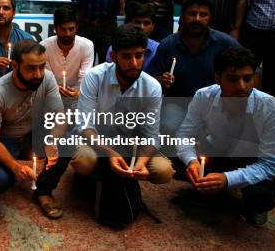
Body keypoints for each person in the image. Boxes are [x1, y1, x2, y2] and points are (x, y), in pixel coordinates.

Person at [37, 24, 173, 219]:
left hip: (129, 143)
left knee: (163, 171)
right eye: (126, 56)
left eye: (139, 55)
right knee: (84, 161)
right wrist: (110, 153)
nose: (134, 63)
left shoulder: (152, 86)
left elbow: (151, 135)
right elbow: (85, 126)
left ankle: (115, 179)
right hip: (97, 140)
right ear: (114, 56)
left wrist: (139, 165)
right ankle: (91, 178)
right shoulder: (95, 76)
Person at [176, 47, 275, 228]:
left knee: (262, 196)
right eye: (233, 79)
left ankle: (246, 201)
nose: (241, 86)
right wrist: (191, 162)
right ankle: (215, 187)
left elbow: (271, 163)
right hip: (218, 151)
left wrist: (228, 179)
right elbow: (184, 136)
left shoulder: (273, 109)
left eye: (247, 78)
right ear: (218, 78)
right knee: (179, 163)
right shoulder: (204, 96)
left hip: (252, 159)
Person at [0, 39, 66, 219]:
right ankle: (16, 168)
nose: (38, 74)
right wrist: (14, 167)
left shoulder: (47, 78)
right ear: (14, 65)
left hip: (33, 134)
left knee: (68, 139)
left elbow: (60, 116)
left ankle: (43, 190)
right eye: (30, 68)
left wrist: (52, 141)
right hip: (6, 139)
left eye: (41, 67)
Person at [148, 0, 238, 97]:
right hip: (178, 103)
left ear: (210, 17)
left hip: (213, 103)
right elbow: (152, 79)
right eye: (192, 14)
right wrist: (162, 80)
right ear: (182, 15)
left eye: (203, 15)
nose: (197, 19)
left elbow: (252, 69)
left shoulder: (225, 43)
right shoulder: (167, 45)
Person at [40, 4, 94, 110]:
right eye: (63, 29)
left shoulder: (87, 45)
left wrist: (78, 93)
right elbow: (47, 77)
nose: (68, 33)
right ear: (55, 28)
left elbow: (84, 76)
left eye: (71, 29)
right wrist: (56, 90)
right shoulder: (44, 47)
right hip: (51, 94)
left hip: (78, 94)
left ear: (77, 27)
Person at [106, 4, 159, 70]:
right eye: (137, 22)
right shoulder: (114, 48)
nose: (141, 27)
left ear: (153, 26)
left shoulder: (158, 49)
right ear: (130, 24)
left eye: (146, 23)